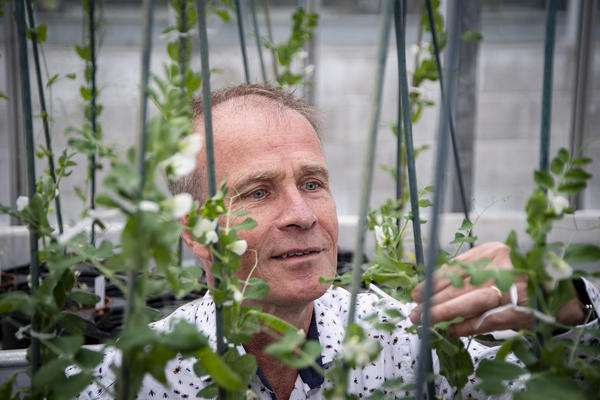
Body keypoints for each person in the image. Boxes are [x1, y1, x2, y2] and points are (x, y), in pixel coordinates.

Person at [76, 84, 600, 399]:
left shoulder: (403, 345)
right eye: (258, 192)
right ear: (194, 232)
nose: (302, 215)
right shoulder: (134, 379)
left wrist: (569, 302)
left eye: (312, 183)